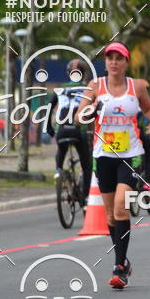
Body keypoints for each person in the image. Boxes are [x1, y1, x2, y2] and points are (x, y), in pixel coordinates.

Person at [77, 41, 150, 289]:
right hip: (103, 155)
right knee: (110, 216)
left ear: (126, 62)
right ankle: (123, 260)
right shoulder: (95, 87)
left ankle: (118, 268)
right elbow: (78, 116)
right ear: (105, 62)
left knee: (120, 208)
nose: (114, 62)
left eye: (119, 58)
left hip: (131, 154)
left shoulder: (136, 87)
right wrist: (91, 110)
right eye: (110, 58)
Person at [48, 59, 92, 201]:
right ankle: (85, 199)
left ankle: (58, 173)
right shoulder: (88, 89)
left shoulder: (60, 89)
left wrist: (49, 127)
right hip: (79, 130)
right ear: (83, 74)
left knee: (61, 152)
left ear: (68, 73)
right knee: (87, 166)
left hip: (61, 130)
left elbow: (49, 106)